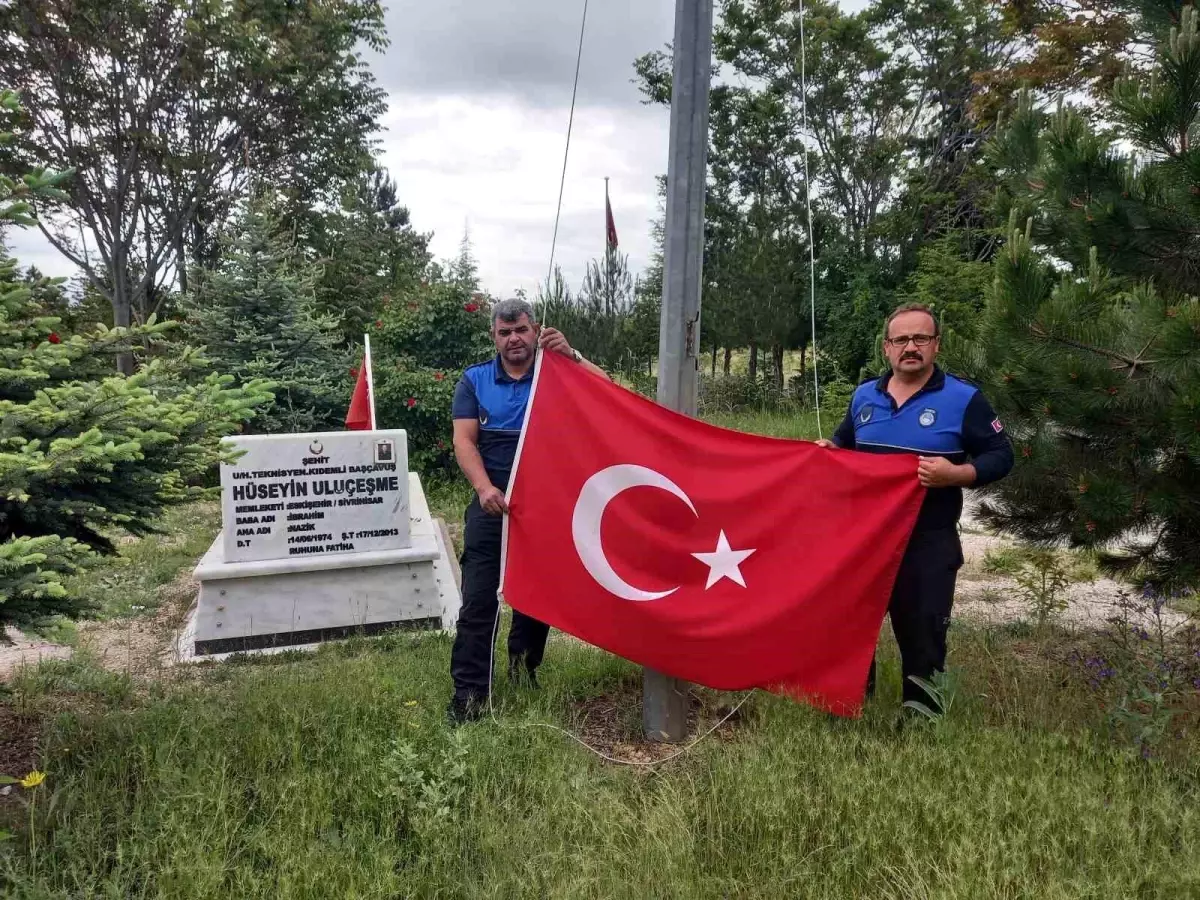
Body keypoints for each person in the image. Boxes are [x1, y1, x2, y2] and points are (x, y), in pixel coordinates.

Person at [816, 303, 1013, 713]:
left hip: (927, 541)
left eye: (920, 338)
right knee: (851, 631)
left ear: (936, 345)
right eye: (901, 339)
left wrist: (957, 475)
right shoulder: (864, 395)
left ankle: (921, 722)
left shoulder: (965, 398)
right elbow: (845, 446)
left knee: (923, 635)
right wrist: (827, 453)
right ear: (887, 348)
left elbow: (1001, 455)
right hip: (864, 540)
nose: (911, 347)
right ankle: (852, 709)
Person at [447, 297, 609, 724]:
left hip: (546, 507)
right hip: (492, 501)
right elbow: (464, 442)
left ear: (535, 330)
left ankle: (523, 673)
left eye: (521, 329)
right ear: (493, 337)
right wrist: (484, 488)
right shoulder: (475, 380)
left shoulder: (558, 371)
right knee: (478, 601)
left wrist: (572, 355)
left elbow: (610, 395)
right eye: (505, 332)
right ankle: (469, 696)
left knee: (535, 599)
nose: (514, 339)